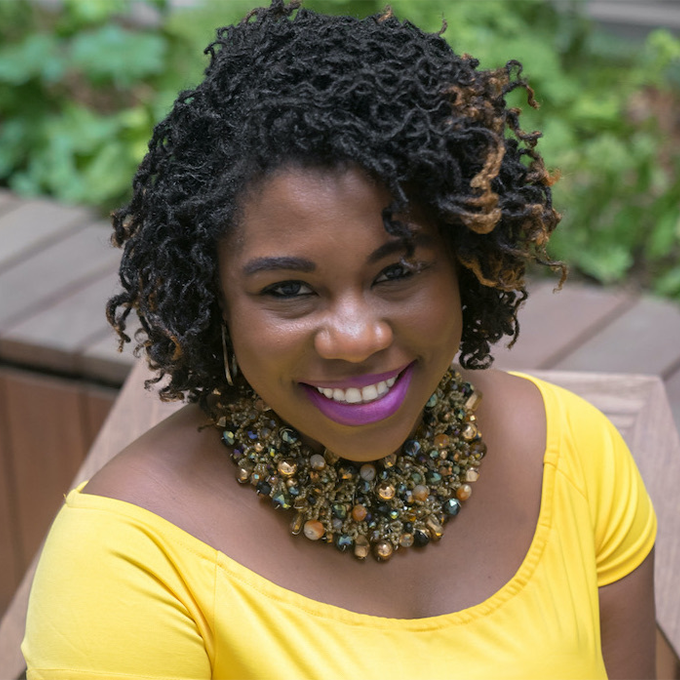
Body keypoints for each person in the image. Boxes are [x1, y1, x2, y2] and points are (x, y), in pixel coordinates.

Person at [22, 1, 656, 678]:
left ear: (466, 263)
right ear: (214, 302)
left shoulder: (571, 454)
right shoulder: (130, 560)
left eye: (398, 272)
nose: (356, 339)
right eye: (288, 290)